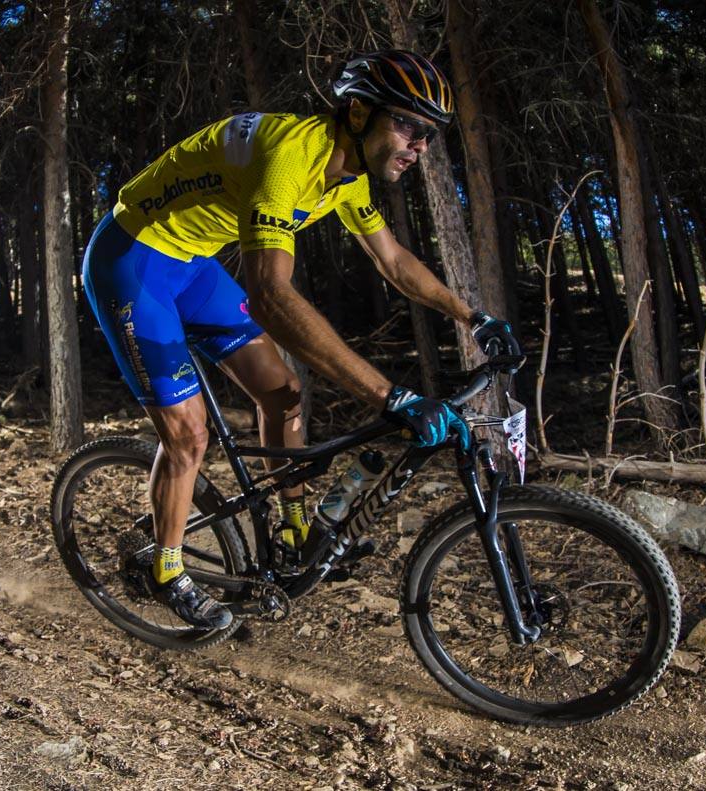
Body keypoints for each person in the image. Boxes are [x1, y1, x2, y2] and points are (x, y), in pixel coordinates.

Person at [81, 50, 518, 630]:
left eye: (431, 135)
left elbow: (392, 259)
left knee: (283, 391)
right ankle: (165, 567)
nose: (421, 146)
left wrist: (473, 316)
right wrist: (391, 395)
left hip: (190, 265)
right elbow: (271, 295)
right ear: (359, 113)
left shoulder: (348, 175)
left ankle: (290, 527)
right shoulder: (291, 156)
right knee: (189, 435)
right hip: (132, 261)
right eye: (409, 126)